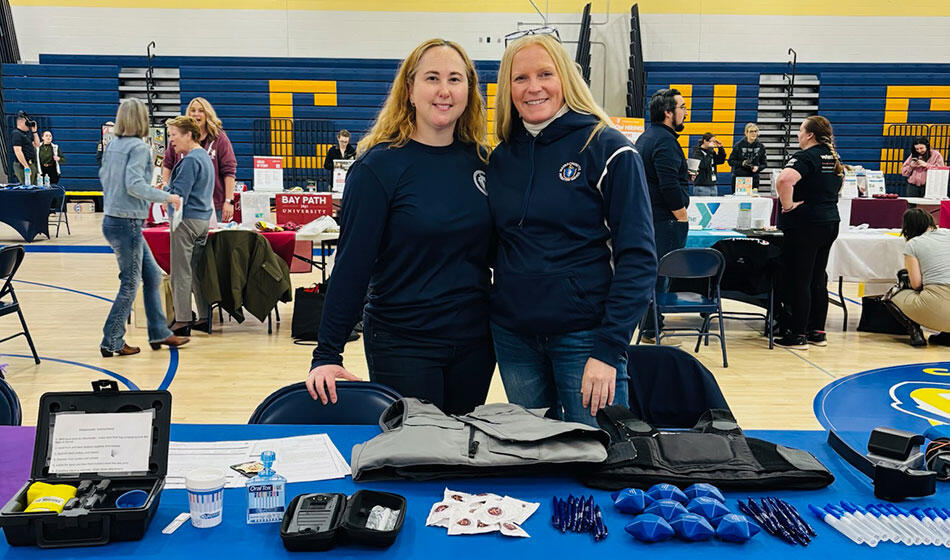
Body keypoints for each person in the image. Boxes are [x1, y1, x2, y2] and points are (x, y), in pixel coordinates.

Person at [305, 39, 495, 415]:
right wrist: (327, 353)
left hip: (475, 341)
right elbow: (352, 266)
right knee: (419, 462)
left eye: (455, 79)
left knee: (463, 457)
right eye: (432, 78)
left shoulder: (483, 162)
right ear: (409, 90)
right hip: (404, 343)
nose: (444, 90)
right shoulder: (379, 168)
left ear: (469, 91)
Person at [488, 33, 656, 426]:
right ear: (507, 89)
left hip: (585, 338)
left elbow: (639, 258)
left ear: (565, 78)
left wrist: (609, 348)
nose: (533, 87)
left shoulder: (608, 148)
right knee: (535, 459)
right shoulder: (500, 157)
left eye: (545, 74)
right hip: (514, 338)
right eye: (520, 78)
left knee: (600, 460)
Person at [99, 99, 189, 357]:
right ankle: (112, 339)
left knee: (151, 277)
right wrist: (167, 197)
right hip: (127, 221)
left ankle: (160, 332)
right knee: (130, 283)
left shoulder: (114, 145)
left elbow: (106, 178)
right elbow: (134, 185)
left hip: (113, 218)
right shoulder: (139, 147)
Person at [773, 116, 843, 349]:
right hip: (830, 221)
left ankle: (797, 333)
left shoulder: (806, 156)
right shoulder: (832, 157)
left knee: (800, 278)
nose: (798, 135)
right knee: (817, 277)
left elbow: (784, 180)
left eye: (801, 130)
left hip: (806, 224)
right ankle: (817, 331)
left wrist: (787, 206)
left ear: (810, 134)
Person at [635, 88, 690, 343]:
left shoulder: (647, 137)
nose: (685, 113)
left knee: (652, 275)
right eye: (681, 108)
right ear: (668, 112)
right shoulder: (666, 141)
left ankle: (650, 327)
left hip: (649, 217)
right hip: (664, 220)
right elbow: (668, 186)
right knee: (660, 275)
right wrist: (680, 215)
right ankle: (651, 329)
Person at [165, 115, 215, 335]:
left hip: (185, 222)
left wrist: (160, 190)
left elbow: (178, 196)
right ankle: (204, 316)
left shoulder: (189, 161)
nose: (171, 141)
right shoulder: (204, 157)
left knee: (181, 272)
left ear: (188, 134)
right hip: (202, 220)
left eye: (174, 135)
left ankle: (183, 319)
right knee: (195, 271)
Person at [162, 97, 237, 222]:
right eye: (192, 110)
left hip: (213, 203)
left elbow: (229, 171)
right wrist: (165, 196)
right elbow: (167, 165)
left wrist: (229, 200)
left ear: (207, 114)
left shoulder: (219, 138)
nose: (196, 114)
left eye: (201, 111)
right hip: (183, 203)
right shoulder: (178, 138)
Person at [883, 209, 950, 347]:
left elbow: (916, 284)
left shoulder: (913, 244)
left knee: (892, 294)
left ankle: (915, 332)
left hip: (938, 304)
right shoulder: (948, 233)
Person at [728, 122, 768, 192]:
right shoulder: (738, 145)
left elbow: (764, 164)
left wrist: (758, 168)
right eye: (751, 131)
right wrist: (741, 163)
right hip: (740, 178)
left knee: (753, 200)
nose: (754, 133)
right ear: (746, 133)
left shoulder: (761, 146)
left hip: (754, 178)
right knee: (738, 200)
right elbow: (730, 161)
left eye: (755, 131)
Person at [689, 132, 726, 196]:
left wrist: (720, 148)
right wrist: (710, 150)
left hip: (713, 185)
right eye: (711, 142)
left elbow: (721, 161)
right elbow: (703, 165)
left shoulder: (710, 152)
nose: (712, 144)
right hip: (701, 186)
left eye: (713, 142)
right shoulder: (697, 152)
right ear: (705, 141)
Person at [11, 111, 40, 185]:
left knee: (34, 186)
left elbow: (37, 144)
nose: (28, 125)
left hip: (31, 163)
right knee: (26, 186)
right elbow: (18, 151)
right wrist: (26, 166)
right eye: (27, 123)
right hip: (22, 165)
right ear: (21, 123)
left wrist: (34, 132)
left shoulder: (26, 134)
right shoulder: (16, 133)